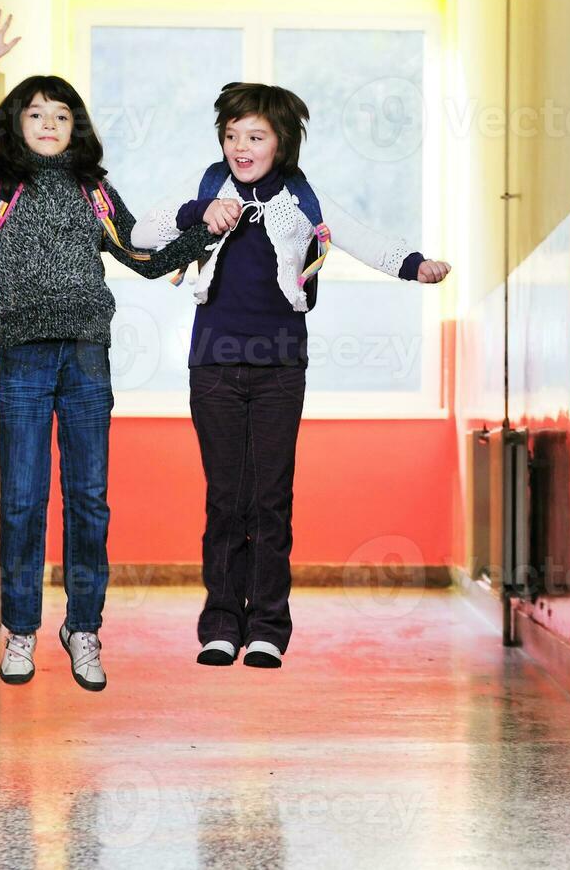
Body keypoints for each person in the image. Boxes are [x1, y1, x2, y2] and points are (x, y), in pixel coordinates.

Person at [131, 81, 450, 669]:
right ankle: (222, 623)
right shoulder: (208, 187)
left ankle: (268, 628)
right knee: (228, 498)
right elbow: (141, 234)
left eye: (255, 135)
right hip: (215, 365)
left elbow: (360, 237)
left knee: (271, 497)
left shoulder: (301, 198)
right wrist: (200, 213)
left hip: (280, 365)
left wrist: (414, 265)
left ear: (282, 141)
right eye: (231, 136)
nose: (240, 147)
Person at [0, 10, 213, 691]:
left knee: (89, 499)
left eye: (62, 117)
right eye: (36, 115)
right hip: (26, 357)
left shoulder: (94, 191)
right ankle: (22, 633)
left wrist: (201, 235)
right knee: (24, 500)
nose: (49, 125)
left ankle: (83, 628)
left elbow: (142, 257)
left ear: (76, 129)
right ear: (17, 125)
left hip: (88, 355)